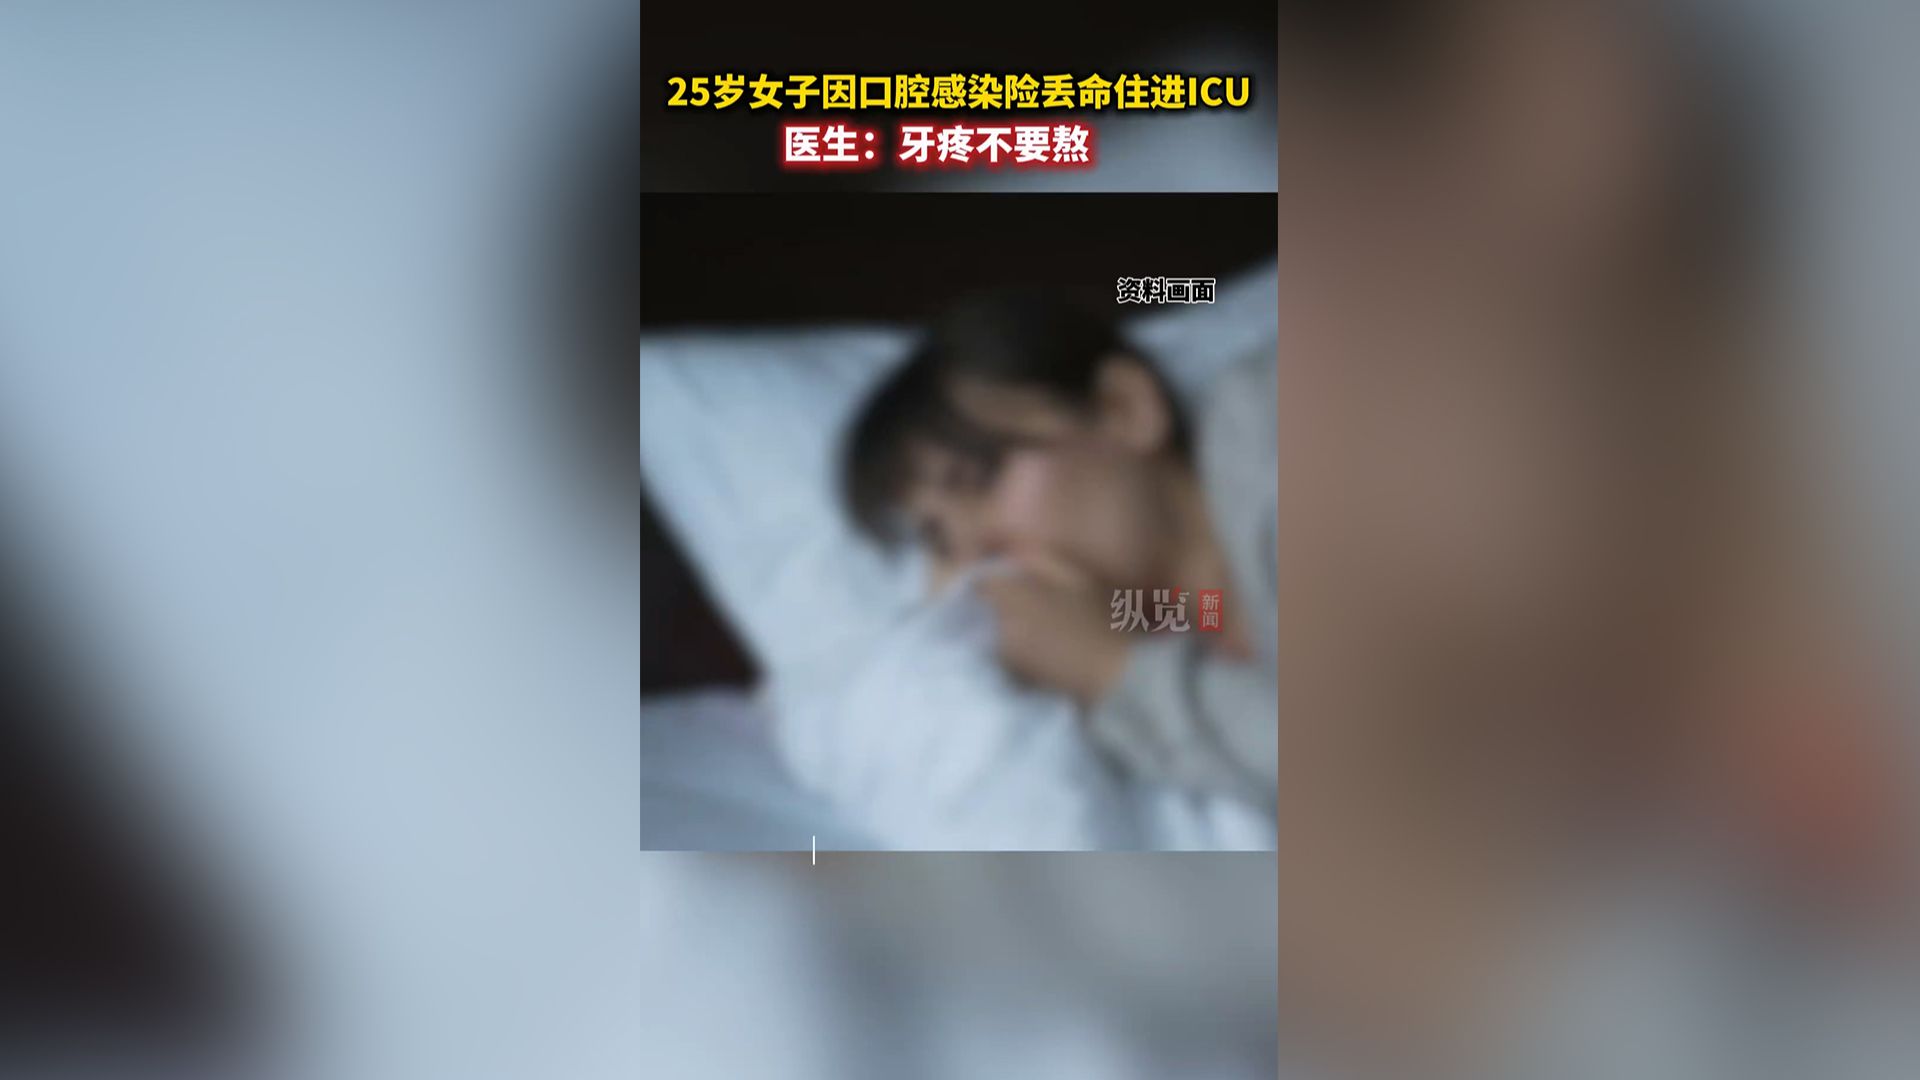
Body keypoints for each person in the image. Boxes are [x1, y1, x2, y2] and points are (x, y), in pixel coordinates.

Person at [842, 292, 1278, 806]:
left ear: (1125, 408)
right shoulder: (1182, 614)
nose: (976, 556)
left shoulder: (1268, 420)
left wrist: (1113, 671)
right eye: (941, 542)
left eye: (980, 478)